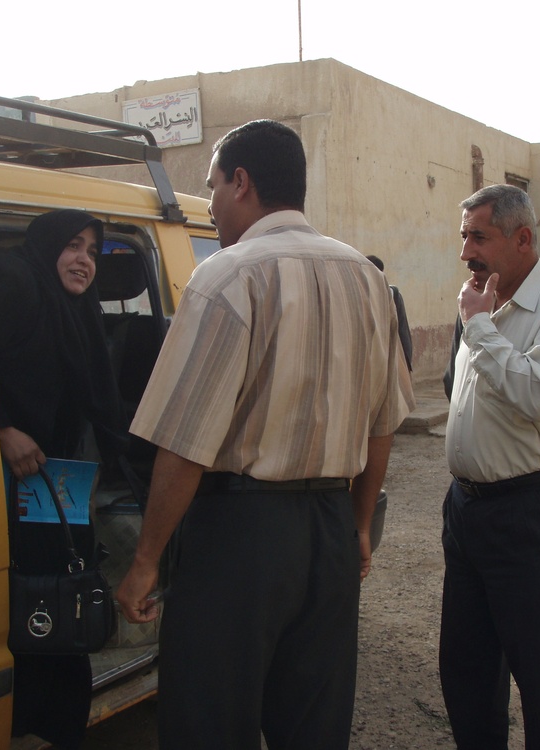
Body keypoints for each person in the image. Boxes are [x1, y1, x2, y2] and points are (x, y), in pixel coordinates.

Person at [115, 119, 415, 749]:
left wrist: (145, 561)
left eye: (214, 186)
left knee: (210, 721)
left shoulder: (228, 275)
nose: (213, 203)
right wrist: (357, 527)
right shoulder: (366, 278)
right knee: (313, 724)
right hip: (329, 529)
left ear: (242, 183)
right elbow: (384, 422)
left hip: (239, 539)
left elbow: (186, 440)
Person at [441, 184, 540, 749]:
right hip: (466, 513)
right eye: (463, 237)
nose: (466, 252)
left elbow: (535, 396)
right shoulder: (482, 303)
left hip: (531, 515)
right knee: (467, 673)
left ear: (523, 238)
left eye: (478, 237)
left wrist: (478, 329)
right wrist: (478, 323)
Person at [0, 209, 128, 749]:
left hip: (57, 489)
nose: (83, 259)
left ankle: (55, 728)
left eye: (92, 250)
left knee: (64, 605)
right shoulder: (10, 282)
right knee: (25, 610)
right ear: (46, 246)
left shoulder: (79, 310)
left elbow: (95, 400)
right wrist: (3, 428)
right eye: (73, 245)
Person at [367, 254, 414, 371]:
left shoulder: (392, 295)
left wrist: (406, 362)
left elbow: (402, 331)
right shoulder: (360, 295)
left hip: (389, 356)